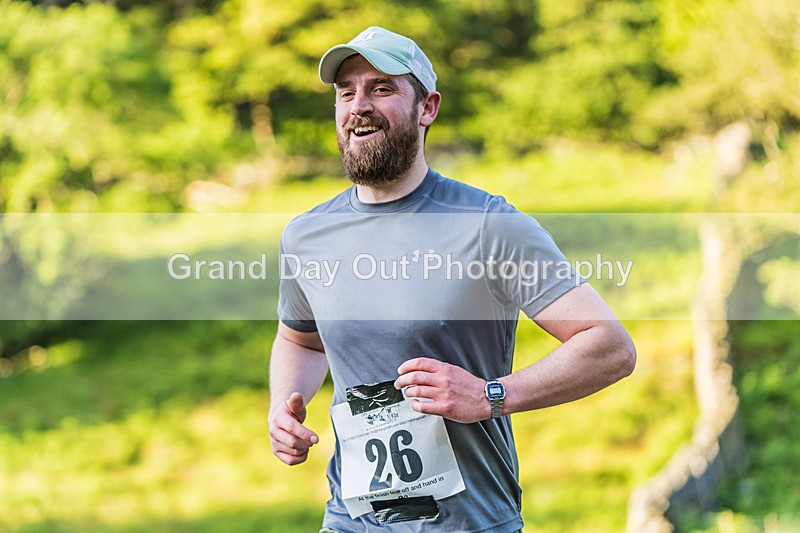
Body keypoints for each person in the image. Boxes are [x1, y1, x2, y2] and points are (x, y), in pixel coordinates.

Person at [268, 26, 636, 533]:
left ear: (428, 108)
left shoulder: (488, 225)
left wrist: (490, 396)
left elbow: (610, 346)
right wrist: (283, 405)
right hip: (351, 522)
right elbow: (301, 341)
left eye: (381, 88)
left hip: (470, 524)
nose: (359, 106)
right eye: (346, 92)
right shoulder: (306, 235)